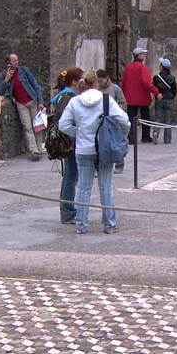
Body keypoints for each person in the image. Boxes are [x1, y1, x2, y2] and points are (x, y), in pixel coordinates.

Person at [58, 73, 130, 234]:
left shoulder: (75, 101)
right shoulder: (106, 100)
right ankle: (109, 224)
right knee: (106, 186)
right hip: (103, 147)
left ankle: (81, 224)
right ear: (96, 84)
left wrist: (78, 132)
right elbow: (124, 121)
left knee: (83, 187)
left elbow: (63, 125)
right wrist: (121, 134)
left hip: (83, 148)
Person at [49, 68, 84, 225]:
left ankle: (67, 210)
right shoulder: (69, 98)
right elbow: (66, 121)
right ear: (75, 81)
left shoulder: (63, 96)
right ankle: (67, 211)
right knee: (71, 176)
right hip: (70, 141)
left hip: (67, 140)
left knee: (70, 176)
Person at [0, 52, 45, 161]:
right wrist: (7, 79)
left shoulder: (24, 71)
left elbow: (35, 85)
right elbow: (0, 91)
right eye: (14, 60)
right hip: (20, 103)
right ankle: (34, 150)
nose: (17, 62)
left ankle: (39, 147)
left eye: (17, 60)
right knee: (27, 126)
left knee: (37, 125)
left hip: (32, 100)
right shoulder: (3, 75)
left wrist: (40, 101)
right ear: (8, 62)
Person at [122, 46, 161, 145]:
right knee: (145, 118)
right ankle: (145, 137)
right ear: (139, 55)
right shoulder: (143, 67)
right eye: (143, 54)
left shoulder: (128, 67)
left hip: (130, 97)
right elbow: (146, 82)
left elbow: (124, 82)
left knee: (131, 118)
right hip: (142, 97)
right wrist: (156, 92)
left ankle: (131, 138)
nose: (144, 55)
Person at [95, 69, 127, 172]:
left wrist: (117, 113)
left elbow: (123, 103)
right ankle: (100, 164)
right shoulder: (95, 89)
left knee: (116, 141)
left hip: (113, 120)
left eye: (101, 81)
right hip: (100, 120)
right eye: (98, 81)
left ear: (106, 78)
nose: (99, 83)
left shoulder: (115, 89)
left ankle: (119, 164)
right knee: (101, 143)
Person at [151, 57, 177, 144]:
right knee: (168, 120)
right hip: (169, 99)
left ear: (162, 66)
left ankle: (155, 133)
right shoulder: (172, 78)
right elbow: (174, 90)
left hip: (160, 99)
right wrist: (172, 96)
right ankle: (167, 139)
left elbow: (154, 88)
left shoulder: (156, 78)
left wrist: (157, 96)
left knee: (158, 118)